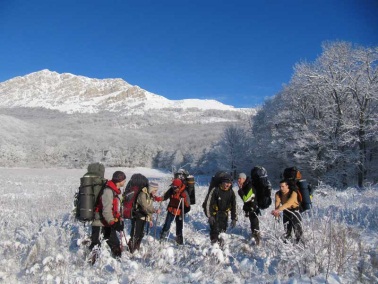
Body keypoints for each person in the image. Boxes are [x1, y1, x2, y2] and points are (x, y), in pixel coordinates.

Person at [90, 170, 126, 259]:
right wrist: (113, 223)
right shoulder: (108, 191)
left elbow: (114, 209)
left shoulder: (115, 191)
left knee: (115, 245)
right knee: (95, 246)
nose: (125, 181)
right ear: (119, 181)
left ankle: (118, 266)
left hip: (107, 223)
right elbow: (106, 210)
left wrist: (118, 220)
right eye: (124, 180)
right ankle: (89, 267)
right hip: (99, 223)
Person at [204, 173, 237, 246]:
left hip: (224, 215)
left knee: (222, 232)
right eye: (226, 183)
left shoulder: (231, 193)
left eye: (229, 183)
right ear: (222, 182)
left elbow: (234, 206)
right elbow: (208, 203)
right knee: (214, 231)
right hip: (215, 214)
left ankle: (221, 248)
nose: (227, 185)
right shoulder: (215, 190)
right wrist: (210, 216)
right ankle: (214, 248)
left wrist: (234, 218)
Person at [128, 181, 161, 253]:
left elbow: (149, 207)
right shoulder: (142, 194)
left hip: (144, 216)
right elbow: (145, 206)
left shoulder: (150, 196)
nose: (156, 192)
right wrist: (155, 211)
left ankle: (137, 247)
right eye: (155, 190)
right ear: (151, 189)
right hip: (137, 215)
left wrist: (150, 219)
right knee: (135, 233)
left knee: (141, 234)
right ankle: (131, 248)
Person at [271, 179, 303, 244]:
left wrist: (278, 210)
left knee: (297, 228)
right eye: (280, 186)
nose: (281, 188)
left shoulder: (293, 193)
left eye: (283, 186)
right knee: (286, 228)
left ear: (287, 186)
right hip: (285, 210)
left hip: (294, 210)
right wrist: (276, 214)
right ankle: (287, 242)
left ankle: (299, 243)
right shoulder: (278, 193)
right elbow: (277, 203)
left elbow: (289, 203)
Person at [160, 178, 190, 245]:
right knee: (167, 224)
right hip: (171, 209)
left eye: (175, 187)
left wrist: (184, 198)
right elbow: (165, 197)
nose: (173, 188)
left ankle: (179, 241)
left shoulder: (184, 192)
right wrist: (159, 198)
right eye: (172, 187)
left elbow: (188, 205)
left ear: (179, 187)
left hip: (180, 211)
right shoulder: (171, 190)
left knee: (179, 226)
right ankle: (162, 236)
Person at [237, 172, 261, 245]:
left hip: (253, 209)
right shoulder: (246, 185)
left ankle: (257, 241)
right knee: (253, 224)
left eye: (239, 178)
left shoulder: (249, 186)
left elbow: (246, 199)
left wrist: (240, 190)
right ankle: (255, 238)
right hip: (250, 208)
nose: (238, 180)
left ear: (244, 179)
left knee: (254, 224)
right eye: (238, 178)